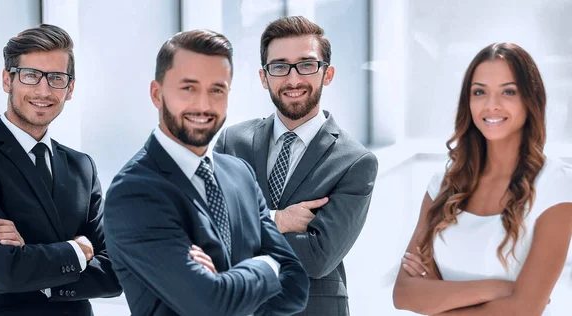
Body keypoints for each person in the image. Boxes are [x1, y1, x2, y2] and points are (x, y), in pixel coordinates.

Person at [103, 29, 309, 316]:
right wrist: (267, 265)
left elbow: (297, 288)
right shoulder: (134, 193)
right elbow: (209, 305)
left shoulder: (240, 174)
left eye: (216, 89)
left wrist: (223, 282)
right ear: (156, 94)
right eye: (188, 88)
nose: (203, 104)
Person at [393, 43, 572, 315]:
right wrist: (496, 288)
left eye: (508, 91)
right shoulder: (444, 183)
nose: (492, 105)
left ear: (530, 99)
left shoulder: (555, 185)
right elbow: (404, 293)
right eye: (480, 92)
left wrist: (435, 301)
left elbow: (524, 310)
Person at [215, 16, 378, 315]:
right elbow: (207, 227)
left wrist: (242, 226)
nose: (293, 80)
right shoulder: (232, 142)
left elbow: (318, 257)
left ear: (326, 74)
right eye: (279, 67)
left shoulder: (354, 161)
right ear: (264, 77)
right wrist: (277, 219)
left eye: (306, 64)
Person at [0, 24, 122, 316]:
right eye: (30, 76)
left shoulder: (82, 167)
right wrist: (78, 250)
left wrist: (38, 269)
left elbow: (116, 272)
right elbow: (5, 270)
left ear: (70, 88)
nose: (43, 90)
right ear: (7, 80)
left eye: (56, 78)